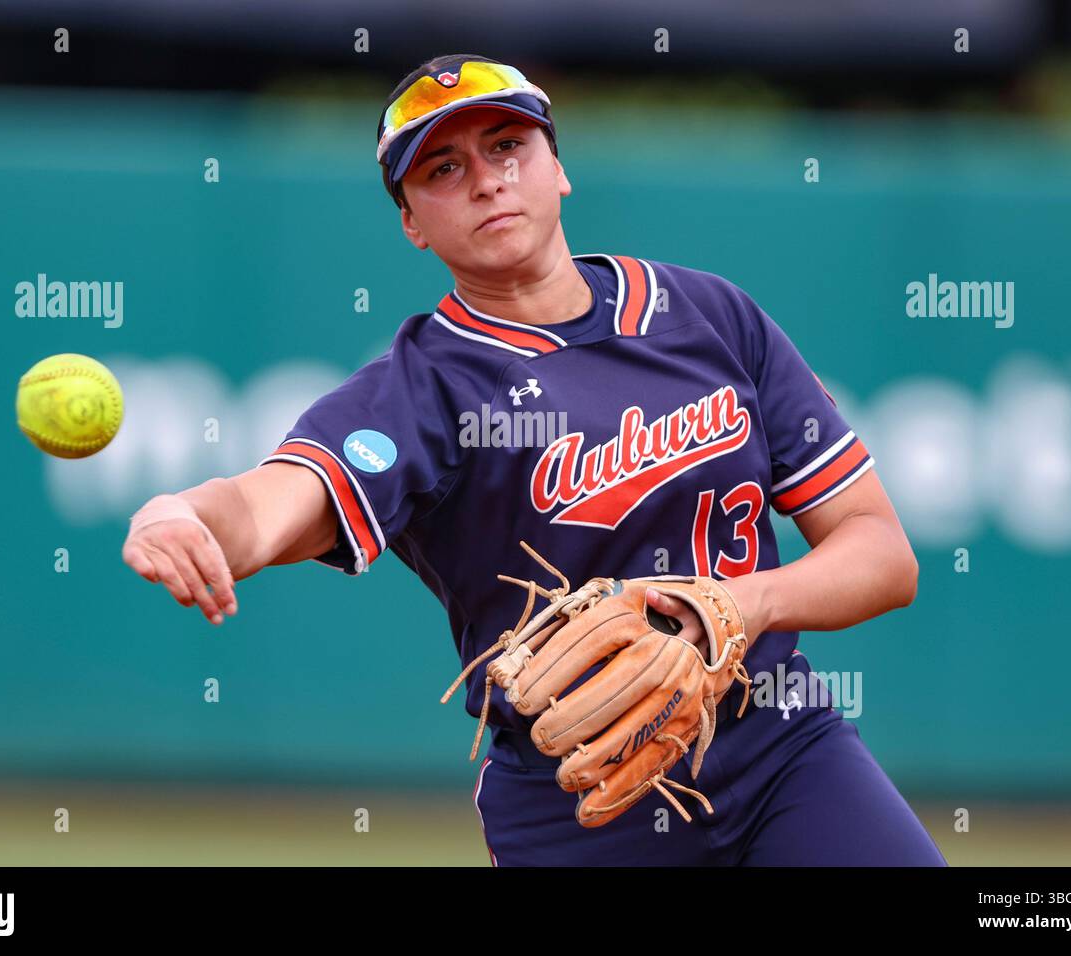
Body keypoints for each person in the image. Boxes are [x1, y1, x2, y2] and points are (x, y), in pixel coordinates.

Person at [123, 54, 947, 867]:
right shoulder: (424, 388)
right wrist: (186, 513)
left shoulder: (709, 316)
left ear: (558, 167)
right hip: (583, 797)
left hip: (782, 746)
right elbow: (273, 504)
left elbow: (881, 553)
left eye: (508, 146)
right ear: (411, 221)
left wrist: (742, 606)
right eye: (444, 167)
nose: (486, 180)